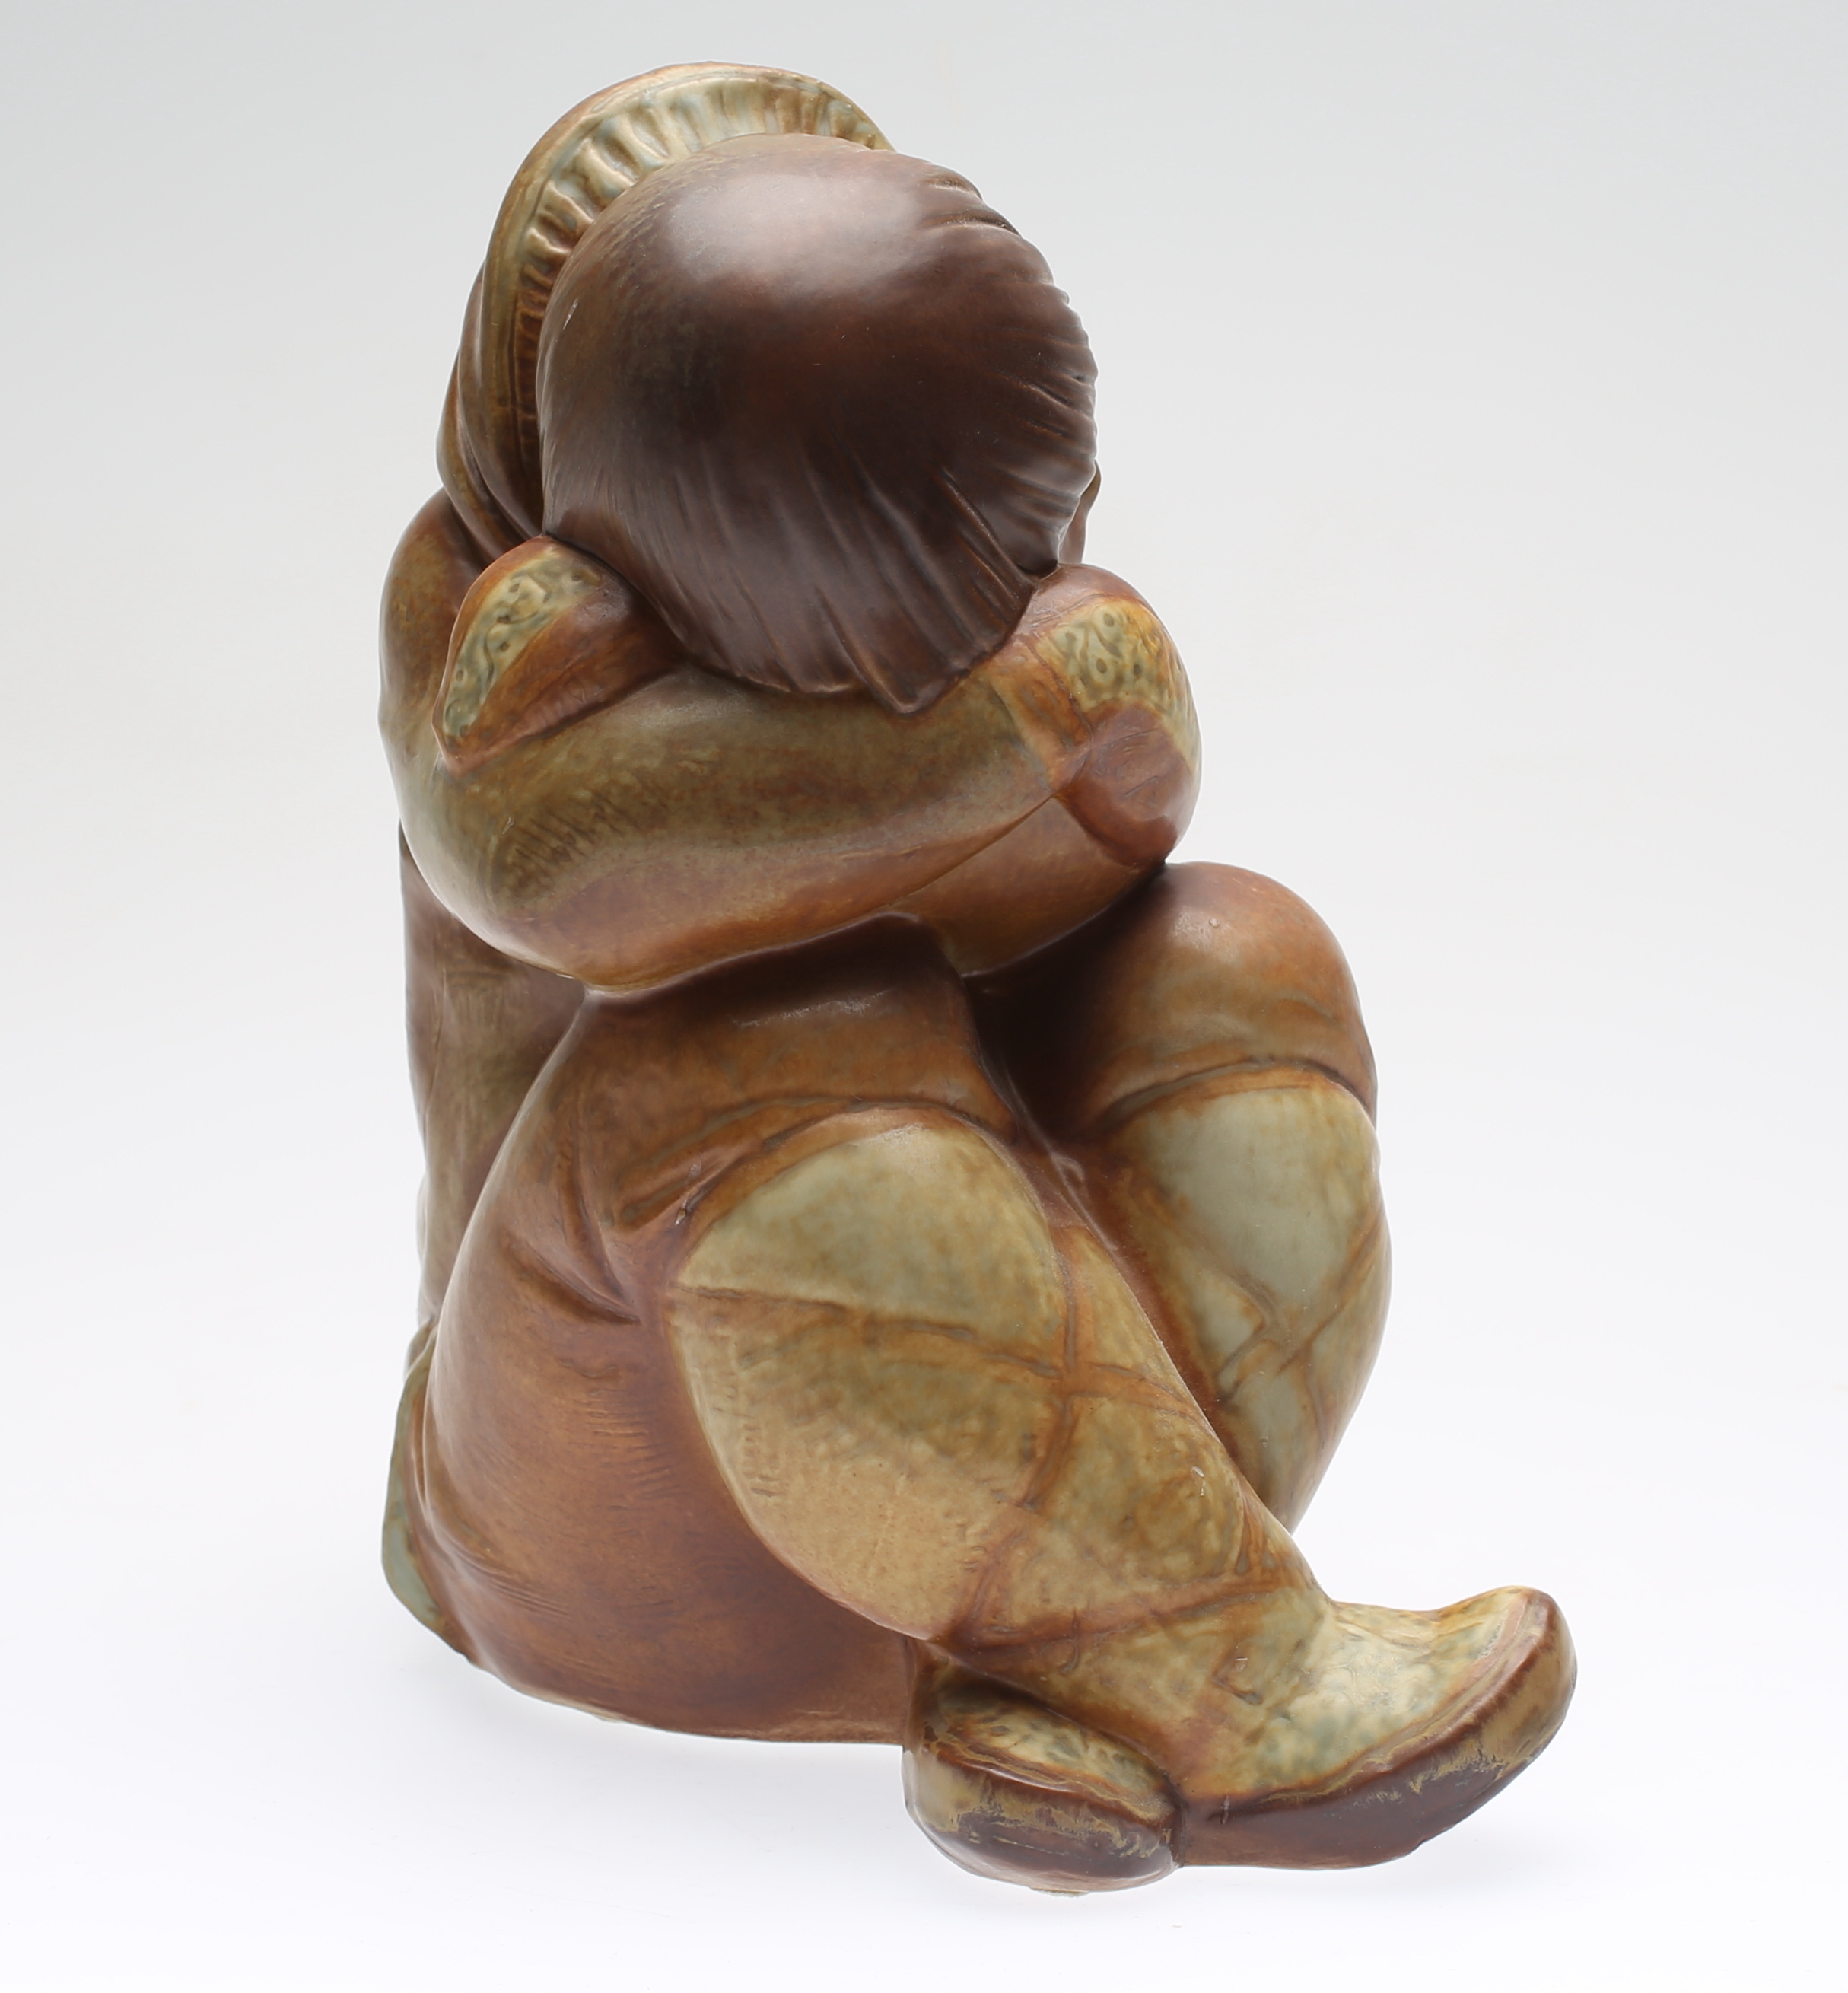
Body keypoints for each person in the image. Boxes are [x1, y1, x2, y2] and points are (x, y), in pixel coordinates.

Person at [380, 63, 1573, 1891]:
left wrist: (1027, 705)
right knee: (782, 1037)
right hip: (594, 1511)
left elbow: (1111, 827)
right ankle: (1235, 1675)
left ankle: (1061, 1667)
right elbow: (560, 871)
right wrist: (1020, 719)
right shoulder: (491, 625)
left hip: (908, 1474)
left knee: (1229, 955)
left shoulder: (962, 538)